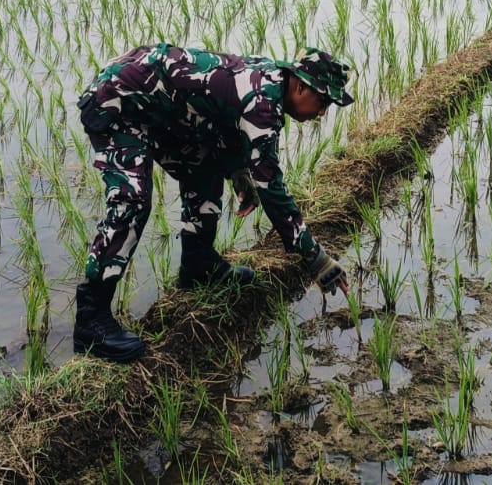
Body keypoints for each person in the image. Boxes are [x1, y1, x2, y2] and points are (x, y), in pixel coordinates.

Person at [71, 43, 354, 362]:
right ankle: (91, 322)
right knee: (132, 200)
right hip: (118, 102)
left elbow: (220, 117)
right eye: (322, 102)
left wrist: (237, 170)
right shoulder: (264, 104)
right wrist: (316, 258)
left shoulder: (271, 79)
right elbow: (273, 190)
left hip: (161, 110)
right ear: (301, 85)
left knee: (204, 164)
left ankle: (198, 263)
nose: (321, 113)